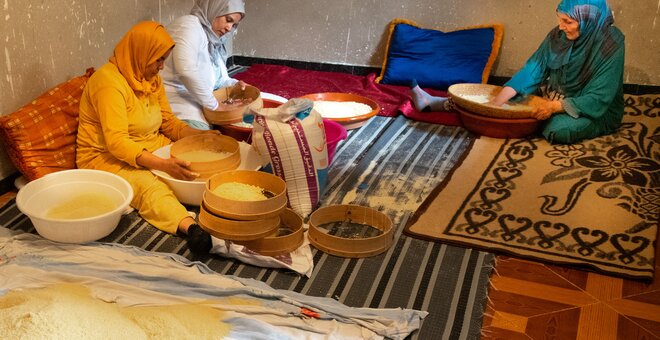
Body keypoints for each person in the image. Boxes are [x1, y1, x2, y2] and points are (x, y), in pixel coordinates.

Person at [76, 21, 216, 253]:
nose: (162, 67)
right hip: (105, 158)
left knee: (197, 161)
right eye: (158, 60)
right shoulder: (108, 83)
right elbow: (117, 143)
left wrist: (205, 138)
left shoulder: (149, 77)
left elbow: (169, 123)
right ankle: (191, 228)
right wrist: (162, 165)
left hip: (150, 143)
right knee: (150, 186)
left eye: (164, 60)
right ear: (141, 52)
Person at [411, 0, 625, 144]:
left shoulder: (611, 44)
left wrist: (553, 107)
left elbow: (600, 97)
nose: (561, 27)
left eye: (567, 22)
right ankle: (438, 103)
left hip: (591, 109)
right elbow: (534, 69)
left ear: (588, 21)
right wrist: (496, 104)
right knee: (505, 96)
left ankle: (488, 116)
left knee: (558, 130)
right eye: (560, 20)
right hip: (552, 97)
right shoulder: (558, 35)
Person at [161, 0, 248, 130]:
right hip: (177, 102)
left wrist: (234, 85)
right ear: (214, 9)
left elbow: (219, 79)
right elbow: (186, 70)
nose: (229, 28)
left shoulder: (212, 40)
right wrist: (216, 106)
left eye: (234, 24)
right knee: (207, 141)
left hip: (200, 100)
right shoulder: (188, 25)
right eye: (228, 19)